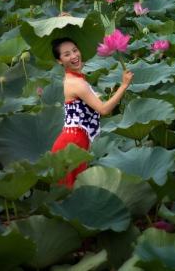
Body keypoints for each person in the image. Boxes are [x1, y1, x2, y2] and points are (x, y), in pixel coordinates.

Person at [51, 37, 134, 188]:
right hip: (72, 143)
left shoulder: (73, 74)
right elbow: (104, 110)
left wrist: (69, 24)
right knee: (68, 195)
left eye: (75, 50)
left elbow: (87, 54)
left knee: (74, 192)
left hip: (75, 141)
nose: (74, 56)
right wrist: (124, 85)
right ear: (59, 61)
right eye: (67, 54)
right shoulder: (76, 83)